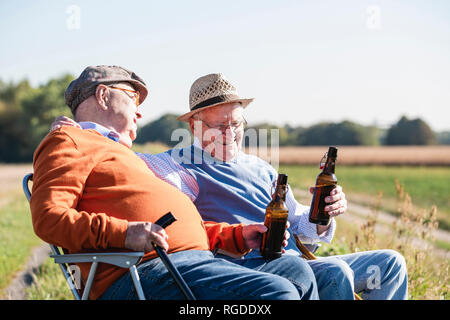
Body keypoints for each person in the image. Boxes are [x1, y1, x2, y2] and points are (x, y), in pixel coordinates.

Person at [51, 73, 408, 300]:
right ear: (194, 127)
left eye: (236, 123)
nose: (230, 132)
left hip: (294, 259)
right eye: (219, 125)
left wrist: (325, 214)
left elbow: (304, 229)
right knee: (334, 272)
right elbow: (130, 166)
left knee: (390, 263)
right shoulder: (179, 165)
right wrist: (83, 130)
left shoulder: (262, 168)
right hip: (245, 267)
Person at [32, 65, 319, 300]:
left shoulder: (126, 157)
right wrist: (124, 234)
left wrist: (236, 236)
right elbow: (48, 219)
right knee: (275, 292)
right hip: (141, 274)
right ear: (104, 95)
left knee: (297, 271)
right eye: (133, 98)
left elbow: (174, 226)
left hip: (189, 262)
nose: (140, 112)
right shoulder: (70, 140)